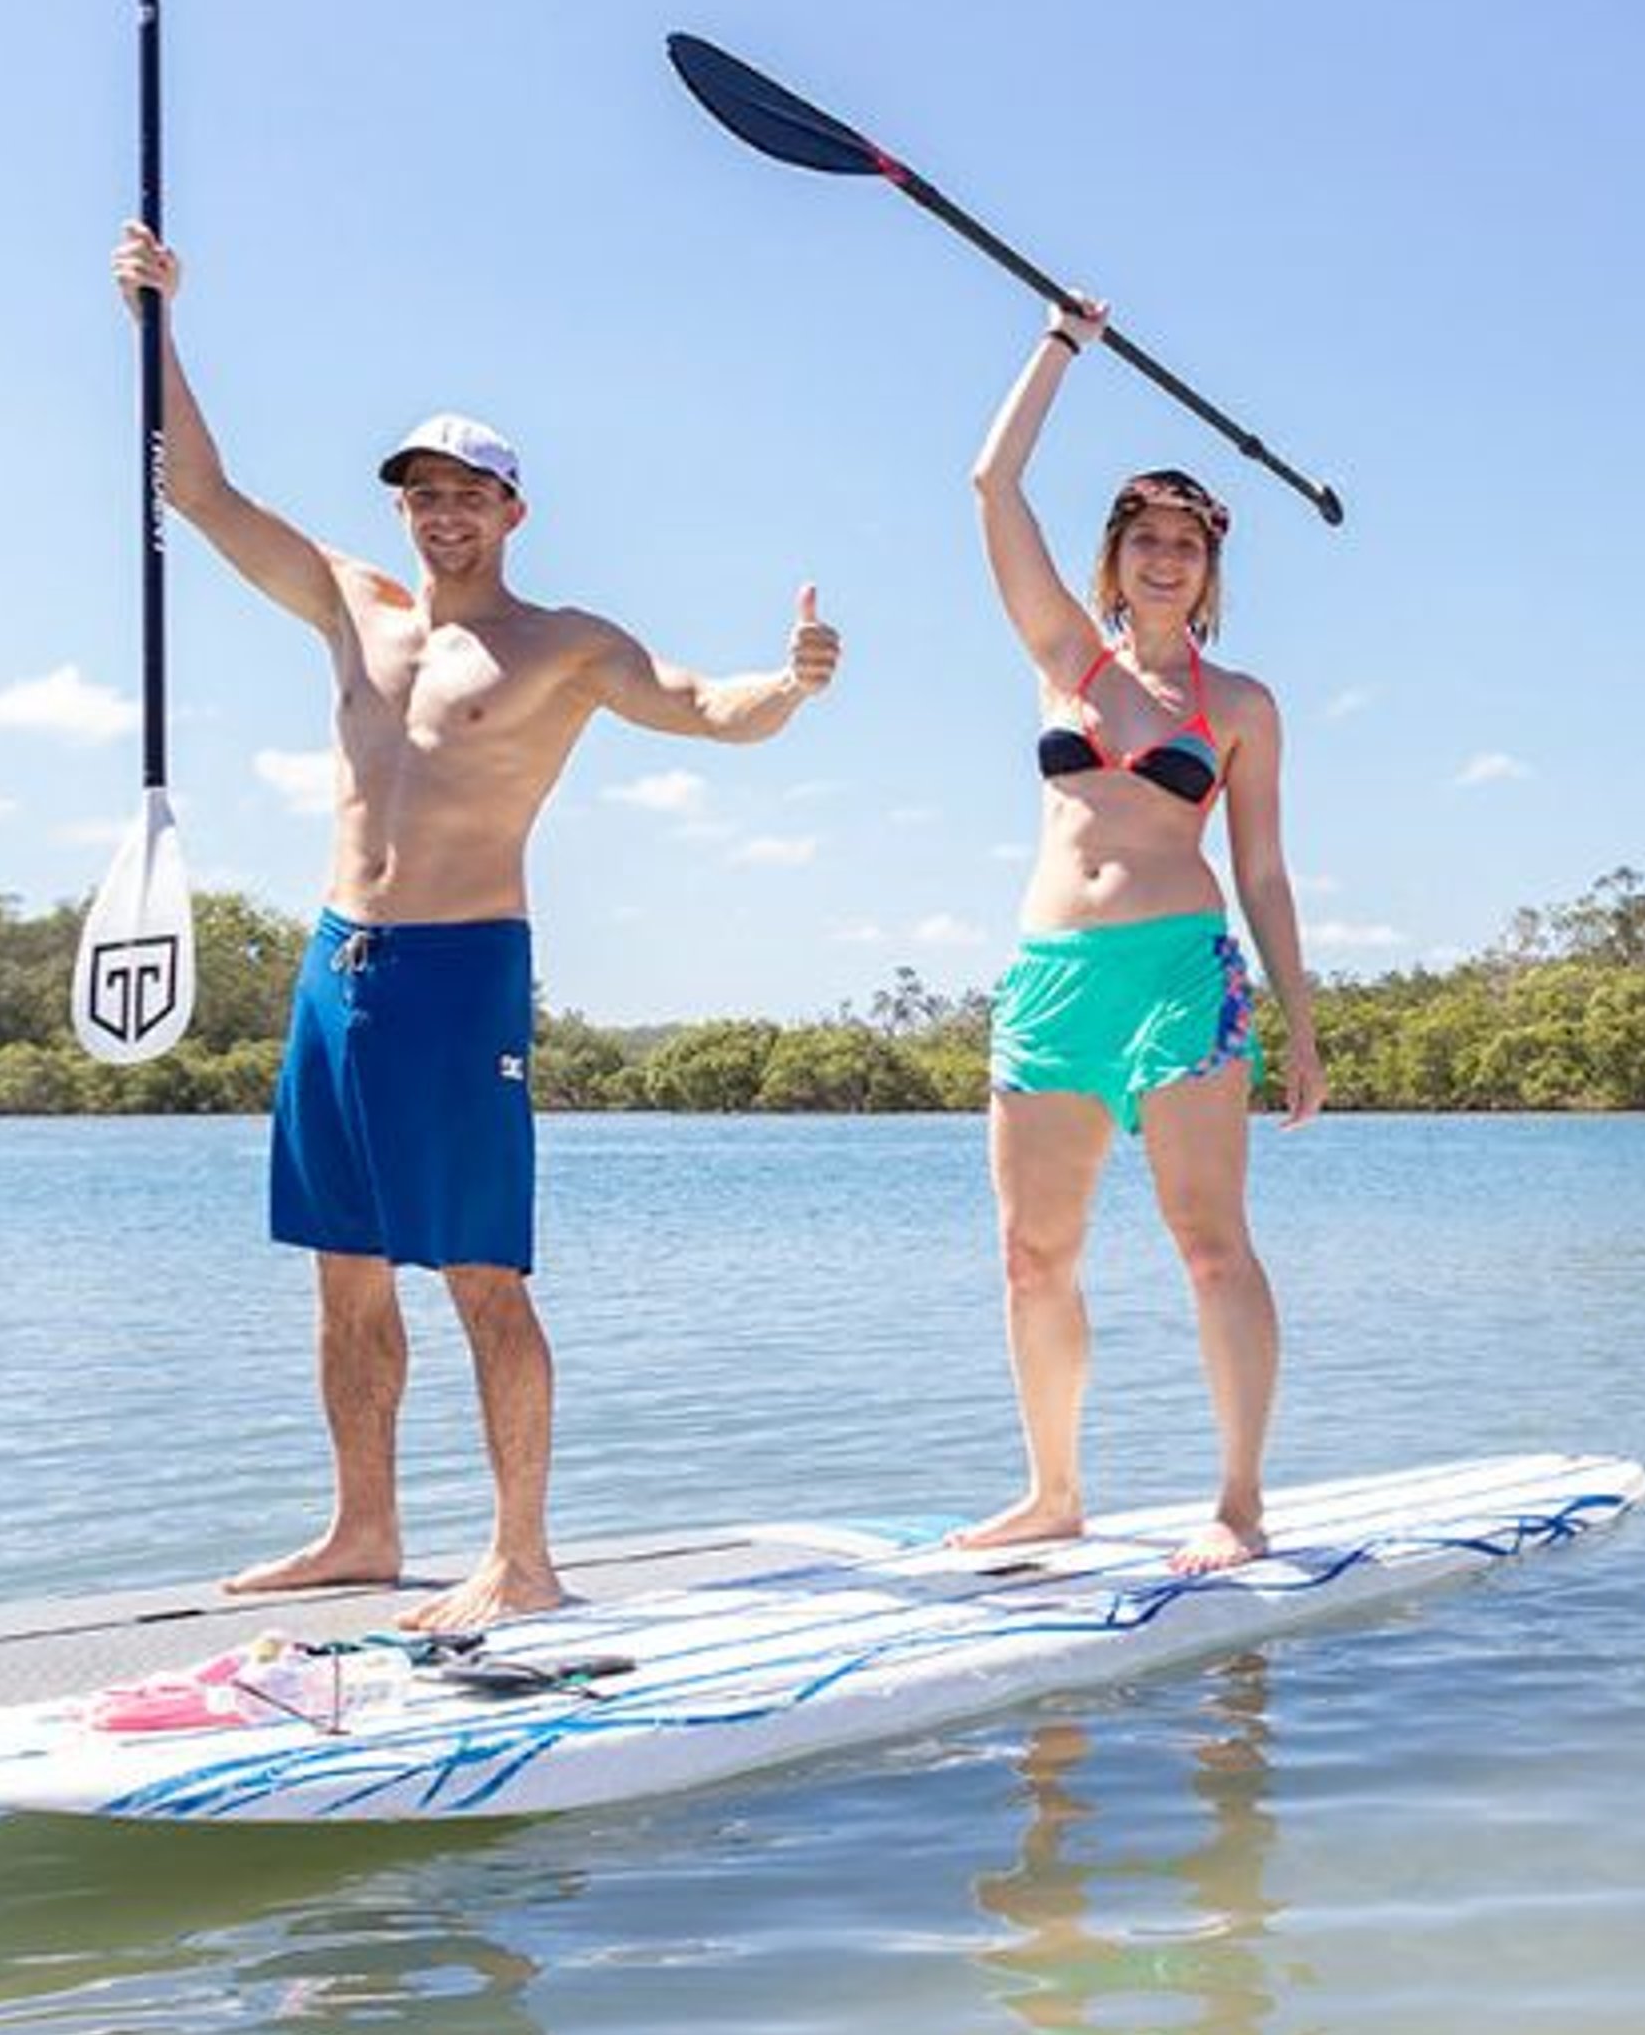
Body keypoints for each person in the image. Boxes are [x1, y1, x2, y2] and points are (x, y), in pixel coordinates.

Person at [114, 224, 842, 1629]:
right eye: (423, 494)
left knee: (480, 1277)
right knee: (341, 1274)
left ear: (514, 510)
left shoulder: (562, 643)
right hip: (338, 967)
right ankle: (363, 1530)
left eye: (470, 494)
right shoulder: (354, 608)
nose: (443, 514)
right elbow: (197, 491)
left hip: (461, 975)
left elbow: (705, 709)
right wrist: (156, 320)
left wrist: (791, 683)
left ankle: (523, 1556)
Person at [958, 295, 1323, 1572]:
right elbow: (993, 483)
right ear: (1111, 558)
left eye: (1188, 542)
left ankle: (1237, 1501)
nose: (1165, 558)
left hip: (1182, 975)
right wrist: (1063, 342)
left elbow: (1265, 872)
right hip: (1054, 978)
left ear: (1211, 570)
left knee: (1209, 1244)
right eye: (1144, 538)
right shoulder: (1066, 662)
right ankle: (1054, 1493)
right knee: (1030, 1253)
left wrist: (1303, 1023)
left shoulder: (1242, 704)